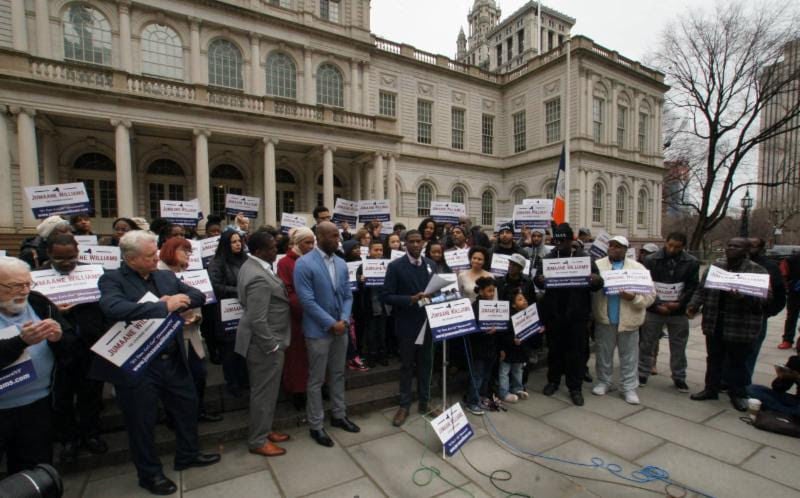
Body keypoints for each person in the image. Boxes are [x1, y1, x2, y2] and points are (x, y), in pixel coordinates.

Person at [91, 230, 219, 495]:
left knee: (186, 407)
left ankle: (188, 454)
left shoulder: (165, 275)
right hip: (138, 364)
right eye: (149, 255)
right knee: (142, 421)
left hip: (172, 359)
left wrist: (178, 302)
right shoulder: (112, 279)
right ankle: (149, 474)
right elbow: (113, 308)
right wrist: (163, 307)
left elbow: (197, 295)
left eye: (156, 252)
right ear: (130, 258)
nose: (156, 258)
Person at [38, 233, 107, 463]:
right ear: (49, 254)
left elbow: (103, 304)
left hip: (89, 343)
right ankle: (69, 439)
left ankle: (92, 433)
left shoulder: (92, 273)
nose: (67, 262)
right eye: (60, 258)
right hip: (58, 349)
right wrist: (56, 310)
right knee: (63, 397)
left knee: (92, 393)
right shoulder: (37, 278)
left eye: (72, 257)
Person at [0, 257, 71, 474]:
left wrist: (59, 338)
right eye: (15, 286)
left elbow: (70, 345)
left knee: (34, 470)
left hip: (38, 404)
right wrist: (21, 342)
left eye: (27, 284)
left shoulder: (39, 302)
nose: (23, 291)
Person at [294, 221, 360, 447]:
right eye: (332, 236)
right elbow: (307, 301)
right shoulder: (304, 264)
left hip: (340, 328)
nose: (337, 240)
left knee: (338, 374)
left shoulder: (341, 263)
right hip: (318, 331)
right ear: (319, 237)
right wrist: (331, 323)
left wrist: (343, 319)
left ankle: (339, 415)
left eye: (338, 236)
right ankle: (316, 425)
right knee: (316, 379)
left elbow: (348, 295)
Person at [687, 237, 772, 412]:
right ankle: (711, 388)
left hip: (740, 325)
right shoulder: (716, 267)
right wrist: (693, 305)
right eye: (729, 245)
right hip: (715, 321)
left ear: (746, 250)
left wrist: (743, 297)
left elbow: (766, 299)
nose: (731, 248)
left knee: (737, 361)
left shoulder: (757, 271)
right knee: (714, 358)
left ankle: (738, 393)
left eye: (737, 246)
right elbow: (701, 290)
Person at [235, 230, 292, 457]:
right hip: (264, 345)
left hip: (266, 341)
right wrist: (272, 346)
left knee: (268, 392)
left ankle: (265, 430)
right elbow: (257, 319)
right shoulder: (257, 275)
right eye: (271, 247)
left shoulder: (256, 266)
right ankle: (258, 440)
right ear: (258, 251)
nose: (275, 250)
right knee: (263, 393)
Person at [534, 223, 603, 407]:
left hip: (577, 314)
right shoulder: (549, 257)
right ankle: (553, 381)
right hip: (555, 312)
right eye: (557, 241)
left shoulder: (583, 258)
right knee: (555, 350)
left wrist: (594, 279)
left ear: (571, 239)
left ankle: (575, 387)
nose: (560, 244)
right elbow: (538, 279)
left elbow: (598, 281)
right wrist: (539, 280)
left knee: (576, 352)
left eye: (563, 240)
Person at [158, 237, 221, 423]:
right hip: (171, 338)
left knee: (199, 375)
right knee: (177, 380)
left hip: (191, 335)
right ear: (170, 251)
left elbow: (199, 301)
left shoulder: (188, 273)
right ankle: (175, 416)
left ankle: (198, 411)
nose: (188, 255)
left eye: (189, 251)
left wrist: (197, 317)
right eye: (183, 251)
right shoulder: (160, 274)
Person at [381, 229, 440, 427]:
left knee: (426, 364)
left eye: (419, 241)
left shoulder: (431, 265)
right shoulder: (396, 266)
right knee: (407, 366)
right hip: (406, 324)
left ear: (424, 243)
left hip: (428, 323)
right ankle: (404, 405)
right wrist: (410, 299)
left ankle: (425, 402)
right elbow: (386, 296)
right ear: (405, 244)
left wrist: (437, 296)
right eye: (412, 242)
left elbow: (437, 291)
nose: (416, 245)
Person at [591, 236, 655, 405]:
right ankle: (604, 381)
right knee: (603, 354)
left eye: (618, 247)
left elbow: (650, 296)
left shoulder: (638, 268)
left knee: (629, 357)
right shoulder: (597, 265)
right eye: (611, 246)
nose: (614, 249)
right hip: (605, 319)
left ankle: (628, 388)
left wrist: (633, 297)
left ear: (626, 249)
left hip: (628, 321)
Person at [639, 232, 699, 392]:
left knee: (678, 345)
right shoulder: (651, 260)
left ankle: (679, 376)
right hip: (654, 308)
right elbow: (645, 284)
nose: (672, 249)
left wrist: (679, 304)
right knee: (647, 343)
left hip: (677, 311)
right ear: (665, 243)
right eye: (670, 245)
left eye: (677, 247)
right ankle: (642, 372)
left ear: (683, 247)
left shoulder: (691, 262)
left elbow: (692, 287)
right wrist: (657, 304)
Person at [276, 227, 315, 411]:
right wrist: (309, 307)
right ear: (297, 243)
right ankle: (298, 392)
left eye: (312, 242)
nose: (311, 246)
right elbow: (288, 292)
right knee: (297, 358)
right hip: (297, 317)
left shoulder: (314, 260)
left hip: (315, 316)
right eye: (307, 242)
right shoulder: (285, 263)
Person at [208, 229, 249, 396]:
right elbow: (215, 286)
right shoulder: (217, 263)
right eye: (233, 241)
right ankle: (233, 384)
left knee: (244, 347)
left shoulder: (246, 260)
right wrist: (238, 290)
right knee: (230, 350)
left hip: (244, 310)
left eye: (239, 240)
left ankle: (245, 380)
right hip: (226, 313)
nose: (238, 244)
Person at [745, 237, 786, 383]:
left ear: (761, 249)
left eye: (753, 246)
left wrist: (767, 312)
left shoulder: (769, 267)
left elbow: (780, 295)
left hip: (757, 316)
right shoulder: (735, 264)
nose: (749, 248)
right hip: (734, 316)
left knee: (751, 351)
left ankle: (743, 383)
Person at [466, 277, 500, 414]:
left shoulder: (495, 306)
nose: (492, 294)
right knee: (477, 375)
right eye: (489, 291)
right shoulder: (474, 306)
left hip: (491, 347)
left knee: (486, 375)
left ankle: (482, 396)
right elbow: (471, 329)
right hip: (479, 348)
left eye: (493, 291)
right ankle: (472, 402)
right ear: (480, 291)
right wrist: (484, 331)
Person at [747, 339, 800, 416]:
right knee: (753, 389)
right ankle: (787, 412)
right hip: (796, 401)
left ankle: (782, 411)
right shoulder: (795, 360)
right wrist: (782, 377)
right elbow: (777, 389)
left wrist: (798, 377)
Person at [498, 288, 533, 404]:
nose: (524, 301)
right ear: (513, 305)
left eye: (524, 299)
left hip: (521, 351)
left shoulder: (528, 315)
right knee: (504, 372)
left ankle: (517, 389)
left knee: (518, 370)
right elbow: (503, 335)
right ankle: (504, 392)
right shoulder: (508, 318)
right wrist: (512, 340)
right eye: (520, 299)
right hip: (508, 350)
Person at [780, 252, 800, 349]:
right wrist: (788, 287)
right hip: (795, 293)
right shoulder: (791, 259)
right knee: (791, 316)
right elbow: (783, 274)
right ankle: (787, 340)